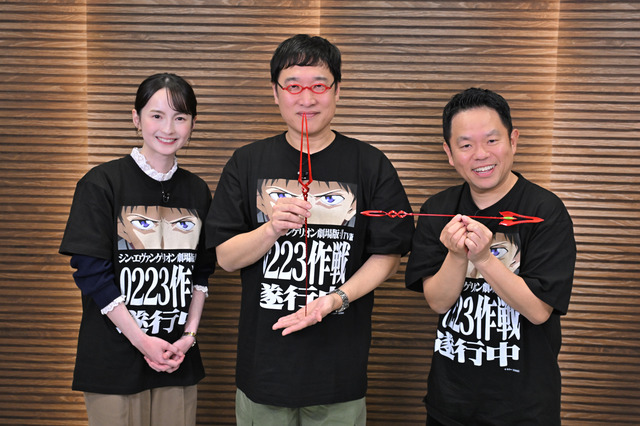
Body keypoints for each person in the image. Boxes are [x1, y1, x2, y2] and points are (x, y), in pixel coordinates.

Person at [206, 34, 414, 425]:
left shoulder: (371, 164)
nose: (307, 99)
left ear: (337, 91)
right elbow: (226, 258)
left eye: (319, 86)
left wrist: (335, 299)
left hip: (339, 372)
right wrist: (271, 229)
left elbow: (388, 254)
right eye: (293, 86)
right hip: (265, 371)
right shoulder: (246, 162)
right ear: (275, 93)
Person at [405, 87, 576, 425]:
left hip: (524, 408)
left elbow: (538, 311)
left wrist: (484, 259)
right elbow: (438, 302)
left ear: (513, 141)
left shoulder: (545, 211)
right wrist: (457, 256)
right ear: (449, 153)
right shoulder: (438, 209)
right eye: (466, 145)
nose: (481, 155)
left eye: (492, 140)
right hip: (450, 402)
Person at [59, 73, 215, 426]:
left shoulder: (197, 190)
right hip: (113, 357)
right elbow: (92, 273)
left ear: (192, 123)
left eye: (180, 117)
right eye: (156, 115)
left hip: (176, 356)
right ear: (136, 118)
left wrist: (188, 337)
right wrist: (142, 341)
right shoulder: (101, 183)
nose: (168, 128)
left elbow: (201, 273)